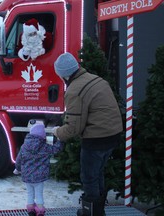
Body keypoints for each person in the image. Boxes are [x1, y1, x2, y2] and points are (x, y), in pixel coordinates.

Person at [52, 52, 123, 216]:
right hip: (113, 135)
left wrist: (56, 131)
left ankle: (91, 212)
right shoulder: (96, 79)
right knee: (98, 173)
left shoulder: (75, 90)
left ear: (64, 75)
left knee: (89, 177)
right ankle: (98, 209)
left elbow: (73, 129)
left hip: (96, 139)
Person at [14, 123, 63, 216]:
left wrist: (17, 169)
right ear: (42, 136)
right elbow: (56, 149)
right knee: (39, 193)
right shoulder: (45, 147)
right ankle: (40, 210)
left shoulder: (24, 146)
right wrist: (60, 139)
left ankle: (30, 210)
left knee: (30, 193)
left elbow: (19, 159)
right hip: (40, 177)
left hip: (27, 176)